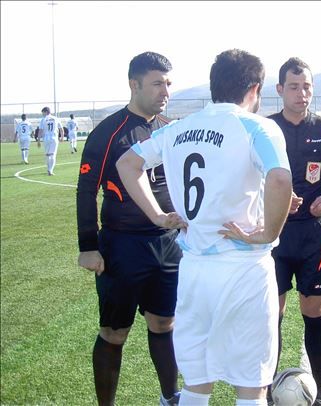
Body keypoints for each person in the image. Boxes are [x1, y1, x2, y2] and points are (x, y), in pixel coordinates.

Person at [117, 48, 293, 406]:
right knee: (251, 386)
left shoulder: (177, 128)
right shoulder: (257, 126)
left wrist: (158, 216)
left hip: (194, 269)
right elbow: (279, 178)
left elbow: (127, 163)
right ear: (254, 89)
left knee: (196, 382)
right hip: (243, 268)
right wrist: (268, 233)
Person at [76, 51, 181, 406]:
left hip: (168, 244)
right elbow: (86, 190)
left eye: (168, 83)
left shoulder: (171, 130)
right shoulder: (108, 133)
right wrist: (88, 245)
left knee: (164, 324)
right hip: (122, 247)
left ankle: (170, 396)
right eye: (157, 84)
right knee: (114, 331)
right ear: (134, 85)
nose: (165, 91)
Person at [267, 57, 321, 406]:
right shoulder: (265, 129)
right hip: (274, 236)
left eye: (307, 86)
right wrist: (277, 201)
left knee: (314, 313)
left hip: (314, 237)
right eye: (294, 87)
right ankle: (265, 390)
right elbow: (249, 180)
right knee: (273, 315)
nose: (302, 93)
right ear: (280, 89)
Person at [35, 106, 63, 175]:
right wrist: (62, 137)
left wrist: (38, 140)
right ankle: (51, 170)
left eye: (43, 113)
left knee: (47, 155)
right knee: (53, 154)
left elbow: (40, 130)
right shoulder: (55, 118)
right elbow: (61, 129)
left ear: (46, 112)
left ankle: (48, 169)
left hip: (46, 138)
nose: (42, 114)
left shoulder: (43, 119)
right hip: (54, 138)